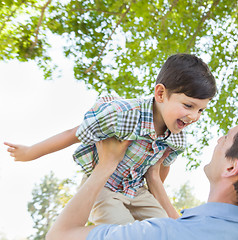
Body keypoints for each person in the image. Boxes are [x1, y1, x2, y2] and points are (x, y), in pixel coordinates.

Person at [4, 53, 217, 223]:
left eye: (201, 110)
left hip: (136, 190)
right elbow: (74, 133)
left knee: (163, 228)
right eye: (188, 106)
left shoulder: (177, 138)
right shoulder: (123, 114)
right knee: (123, 230)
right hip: (104, 187)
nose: (194, 117)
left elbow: (162, 167)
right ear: (160, 94)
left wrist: (154, 196)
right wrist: (30, 152)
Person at [46, 110, 238, 240]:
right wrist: (155, 182)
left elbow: (61, 235)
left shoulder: (164, 234)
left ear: (230, 168)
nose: (217, 140)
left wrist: (104, 167)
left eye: (225, 139)